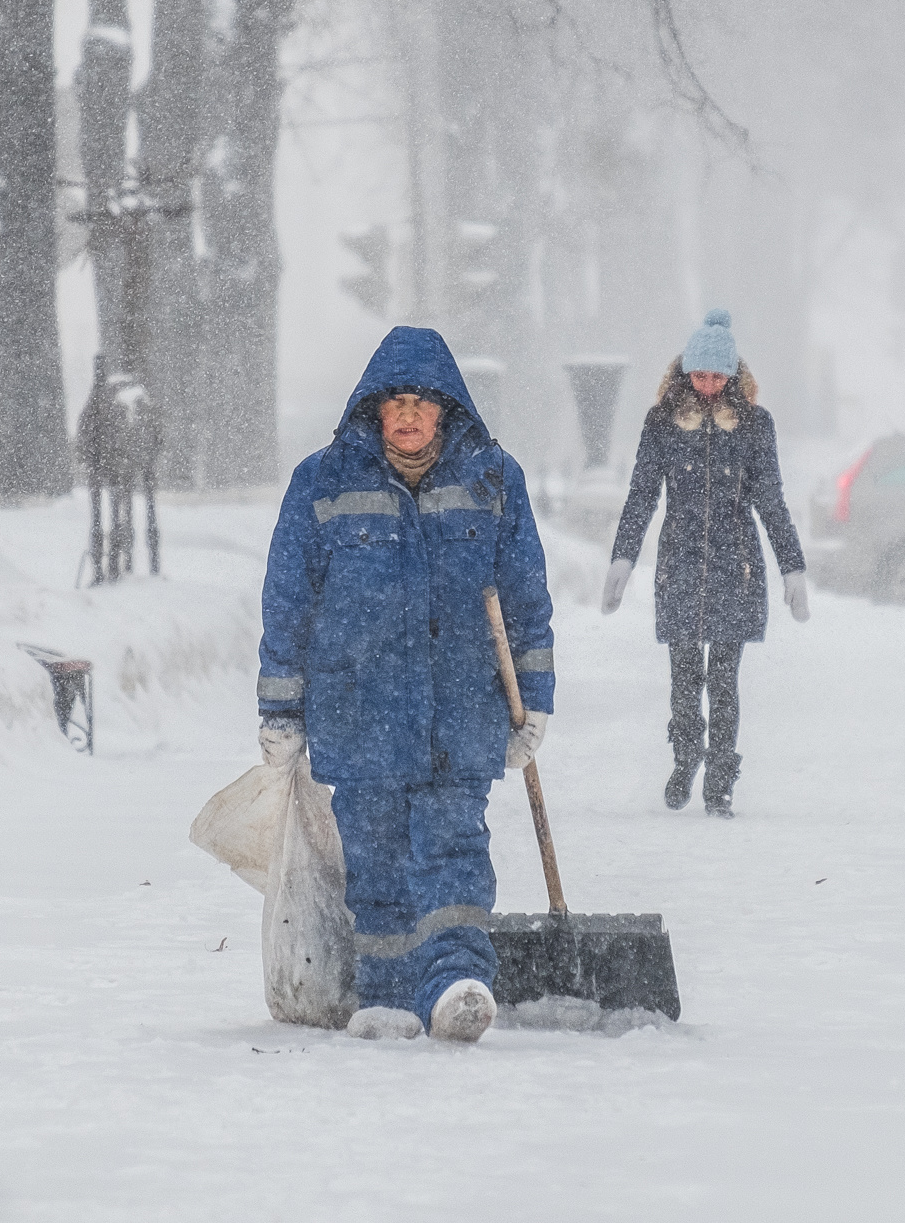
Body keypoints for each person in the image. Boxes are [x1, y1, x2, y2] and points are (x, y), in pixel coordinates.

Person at [256, 326, 555, 1043]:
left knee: (454, 848)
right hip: (359, 712)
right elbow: (288, 601)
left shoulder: (491, 479)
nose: (411, 415)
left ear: (448, 408)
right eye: (397, 402)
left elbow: (525, 598)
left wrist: (535, 701)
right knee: (376, 858)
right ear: (374, 408)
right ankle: (386, 995)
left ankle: (456, 981)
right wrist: (280, 706)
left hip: (462, 709)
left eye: (424, 402)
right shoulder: (323, 481)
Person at [602, 309, 808, 818]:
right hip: (680, 564)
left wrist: (793, 567)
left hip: (736, 568)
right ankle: (686, 752)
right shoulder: (662, 424)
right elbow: (642, 493)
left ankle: (720, 778)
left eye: (719, 375)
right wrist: (623, 557)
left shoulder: (757, 426)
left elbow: (772, 500)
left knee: (724, 678)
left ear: (734, 376)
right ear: (685, 373)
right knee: (683, 673)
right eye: (700, 374)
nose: (710, 384)